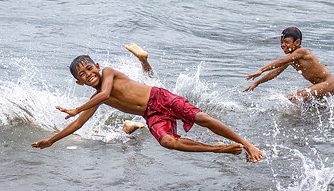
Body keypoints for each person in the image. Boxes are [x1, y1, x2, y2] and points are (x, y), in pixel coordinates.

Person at [31, 50, 264, 163]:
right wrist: (51, 140)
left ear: (97, 66)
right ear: (78, 81)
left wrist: (76, 108)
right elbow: (78, 123)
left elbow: (103, 94)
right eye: (82, 75)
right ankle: (219, 149)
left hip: (159, 97)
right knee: (167, 142)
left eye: (90, 69)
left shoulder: (108, 73)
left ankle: (247, 144)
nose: (89, 74)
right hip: (149, 113)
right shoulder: (96, 98)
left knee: (201, 118)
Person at [243, 27, 334, 104]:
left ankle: (297, 120)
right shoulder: (292, 58)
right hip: (320, 85)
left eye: (287, 42)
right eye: (281, 42)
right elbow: (275, 72)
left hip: (328, 84)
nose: (283, 45)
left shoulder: (301, 52)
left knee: (297, 97)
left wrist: (261, 69)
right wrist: (257, 83)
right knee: (290, 98)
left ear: (297, 42)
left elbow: (280, 61)